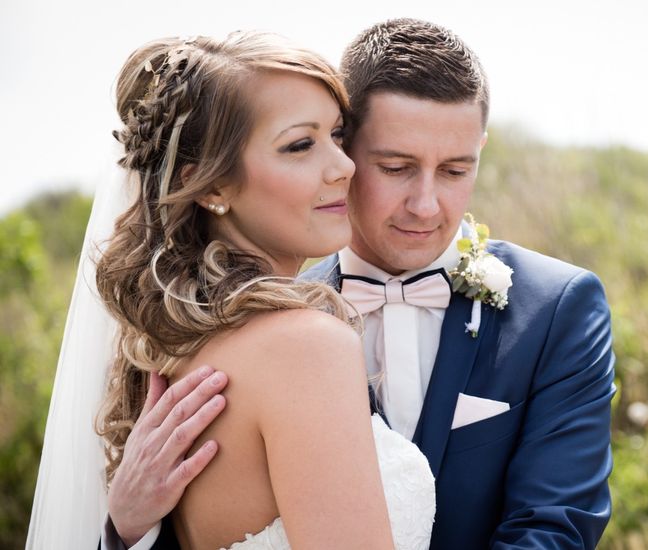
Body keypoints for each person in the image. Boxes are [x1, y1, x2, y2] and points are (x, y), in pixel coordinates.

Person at [105, 18, 616, 549]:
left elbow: (555, 527)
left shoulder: (558, 306)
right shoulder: (271, 336)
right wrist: (127, 529)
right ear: (355, 149)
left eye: (456, 170)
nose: (425, 205)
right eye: (395, 167)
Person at [27, 31, 436, 550]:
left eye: (337, 134)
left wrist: (123, 533)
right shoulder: (306, 347)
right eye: (300, 145)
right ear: (212, 186)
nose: (344, 165)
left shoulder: (170, 350)